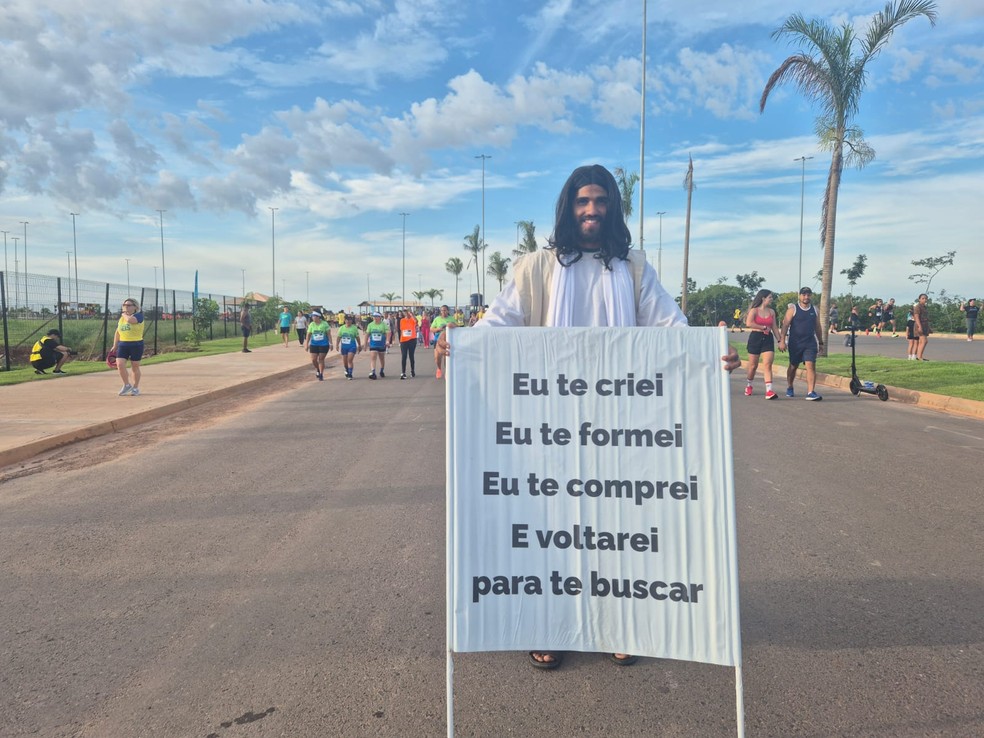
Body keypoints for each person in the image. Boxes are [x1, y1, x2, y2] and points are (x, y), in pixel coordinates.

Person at [441, 163, 739, 670]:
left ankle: (620, 622)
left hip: (619, 426)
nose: (592, 210)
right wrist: (461, 345)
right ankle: (547, 623)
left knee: (616, 525)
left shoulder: (633, 268)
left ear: (612, 208)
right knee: (551, 527)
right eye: (583, 201)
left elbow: (670, 326)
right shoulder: (537, 267)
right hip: (548, 424)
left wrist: (711, 355)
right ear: (568, 207)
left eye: (600, 201)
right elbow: (500, 322)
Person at [780, 287, 823, 400]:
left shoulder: (815, 310)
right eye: (804, 295)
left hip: (810, 343)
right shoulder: (793, 309)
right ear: (800, 296)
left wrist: (821, 342)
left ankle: (810, 392)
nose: (806, 297)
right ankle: (790, 386)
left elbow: (818, 327)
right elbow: (785, 325)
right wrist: (782, 341)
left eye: (808, 295)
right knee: (793, 366)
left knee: (810, 365)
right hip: (795, 343)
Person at [743, 289, 785, 400]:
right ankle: (749, 385)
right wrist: (763, 327)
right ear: (763, 298)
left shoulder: (772, 312)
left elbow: (774, 327)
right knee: (753, 366)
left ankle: (769, 391)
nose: (771, 299)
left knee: (767, 364)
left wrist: (780, 341)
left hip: (768, 339)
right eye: (770, 297)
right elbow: (749, 323)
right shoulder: (754, 311)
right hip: (755, 338)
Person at [114, 297, 145, 396]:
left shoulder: (139, 316)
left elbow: (131, 320)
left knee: (135, 366)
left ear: (135, 307)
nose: (126, 307)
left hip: (136, 344)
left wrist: (124, 314)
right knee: (120, 364)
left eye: (128, 305)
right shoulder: (121, 319)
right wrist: (115, 345)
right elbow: (117, 332)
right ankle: (126, 385)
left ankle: (135, 388)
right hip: (123, 344)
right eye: (124, 305)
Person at [304, 311, 332, 380]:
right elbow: (308, 335)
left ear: (318, 317)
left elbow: (328, 334)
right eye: (312, 316)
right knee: (313, 360)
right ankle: (318, 369)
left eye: (314, 316)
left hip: (324, 344)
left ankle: (321, 374)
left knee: (321, 359)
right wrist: (306, 344)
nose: (312, 318)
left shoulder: (324, 324)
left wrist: (331, 343)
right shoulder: (311, 324)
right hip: (314, 344)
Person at [430, 305, 454, 378]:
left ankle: (446, 371)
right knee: (437, 357)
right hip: (437, 340)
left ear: (448, 311)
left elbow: (457, 327)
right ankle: (439, 368)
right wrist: (438, 329)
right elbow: (431, 329)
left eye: (445, 310)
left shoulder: (451, 318)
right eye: (442, 310)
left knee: (446, 357)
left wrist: (452, 325)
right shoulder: (437, 319)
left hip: (448, 340)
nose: (443, 312)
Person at [336, 314, 362, 379]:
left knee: (349, 360)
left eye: (350, 320)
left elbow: (357, 337)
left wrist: (359, 345)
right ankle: (347, 370)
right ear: (345, 320)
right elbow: (339, 337)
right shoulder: (341, 328)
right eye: (347, 320)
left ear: (352, 321)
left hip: (352, 346)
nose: (348, 321)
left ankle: (350, 374)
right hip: (344, 347)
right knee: (345, 362)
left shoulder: (354, 328)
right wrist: (337, 345)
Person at [365, 311, 389, 379]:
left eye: (376, 316)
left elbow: (387, 333)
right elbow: (367, 334)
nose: (375, 318)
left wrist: (387, 341)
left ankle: (381, 370)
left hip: (381, 344)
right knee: (373, 357)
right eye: (374, 317)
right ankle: (373, 372)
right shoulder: (370, 325)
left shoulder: (383, 324)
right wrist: (365, 343)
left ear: (380, 317)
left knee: (381, 358)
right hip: (373, 344)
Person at [399, 308, 418, 379]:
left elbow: (416, 321)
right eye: (404, 312)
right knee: (404, 356)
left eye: (407, 312)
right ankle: (403, 372)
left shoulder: (413, 319)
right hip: (404, 340)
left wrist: (412, 315)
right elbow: (401, 329)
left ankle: (412, 371)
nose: (405, 313)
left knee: (411, 356)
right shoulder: (402, 320)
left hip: (412, 340)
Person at [913, 293, 931, 360]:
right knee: (924, 341)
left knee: (921, 341)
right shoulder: (918, 307)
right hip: (920, 324)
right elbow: (916, 317)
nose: (924, 300)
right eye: (923, 298)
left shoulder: (924, 307)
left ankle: (919, 356)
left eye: (926, 298)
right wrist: (919, 326)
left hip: (925, 325)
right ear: (919, 299)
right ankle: (919, 356)